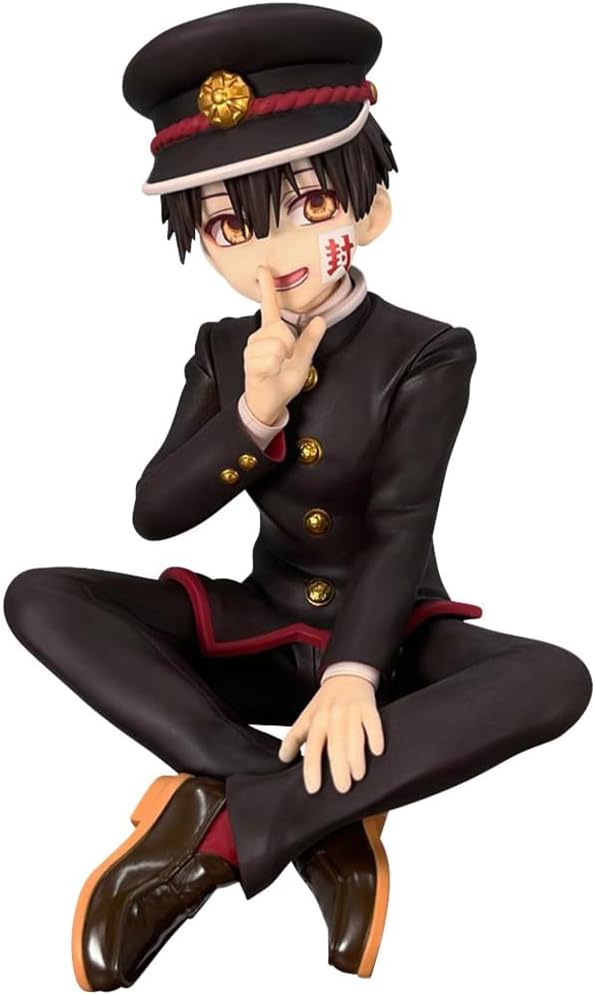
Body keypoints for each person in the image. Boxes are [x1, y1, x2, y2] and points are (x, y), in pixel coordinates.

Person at [3, 4, 592, 991]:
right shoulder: (222, 350)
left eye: (308, 204)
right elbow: (154, 511)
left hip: (389, 642)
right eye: (230, 224)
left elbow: (401, 523)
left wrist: (355, 672)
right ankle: (308, 805)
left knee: (556, 678)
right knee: (38, 595)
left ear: (370, 211)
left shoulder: (427, 350)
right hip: (266, 628)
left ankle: (230, 828)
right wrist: (251, 417)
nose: (269, 249)